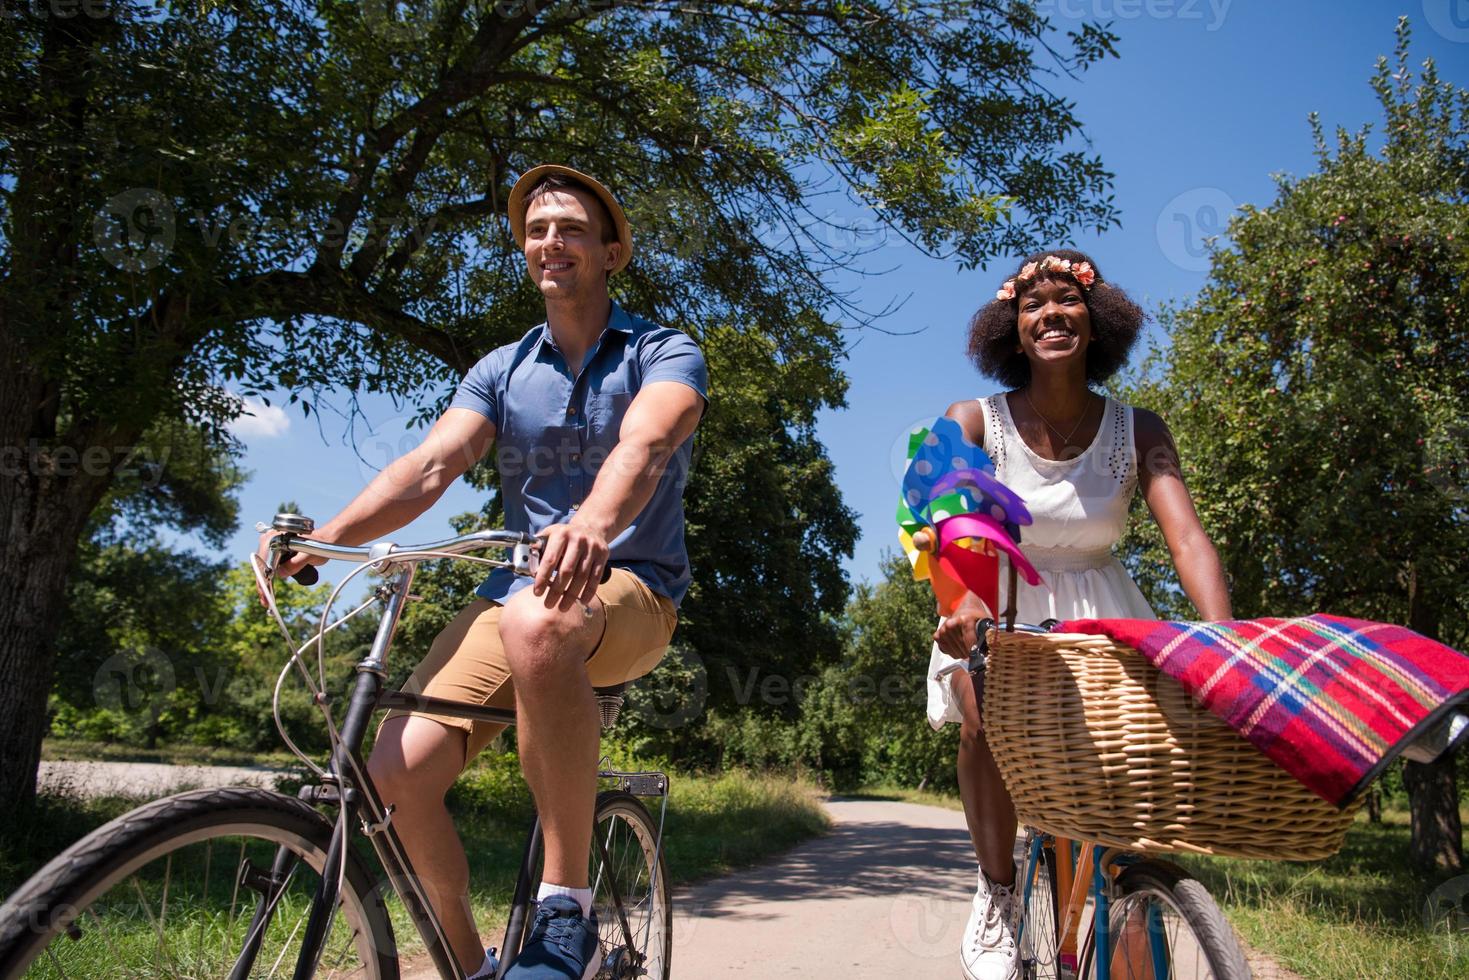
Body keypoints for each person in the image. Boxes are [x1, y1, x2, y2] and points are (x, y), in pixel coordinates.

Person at [258, 165, 707, 980]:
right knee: (389, 779)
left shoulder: (662, 350)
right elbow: (431, 466)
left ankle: (563, 907)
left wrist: (590, 525)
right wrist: (326, 540)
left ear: (613, 253)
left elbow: (646, 443)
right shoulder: (501, 368)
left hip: (629, 590)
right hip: (514, 593)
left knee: (541, 618)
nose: (550, 242)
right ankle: (472, 969)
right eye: (536, 230)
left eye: (570, 228)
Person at [925, 250, 1232, 980]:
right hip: (993, 603)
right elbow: (937, 515)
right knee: (985, 712)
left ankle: (1131, 912)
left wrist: (1225, 635)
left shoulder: (1139, 428)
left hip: (1104, 610)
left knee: (1146, 763)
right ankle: (999, 893)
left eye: (1067, 300)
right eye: (1033, 305)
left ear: (1096, 325)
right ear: (1013, 329)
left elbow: (1185, 536)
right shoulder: (969, 419)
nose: (1050, 313)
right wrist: (958, 602)